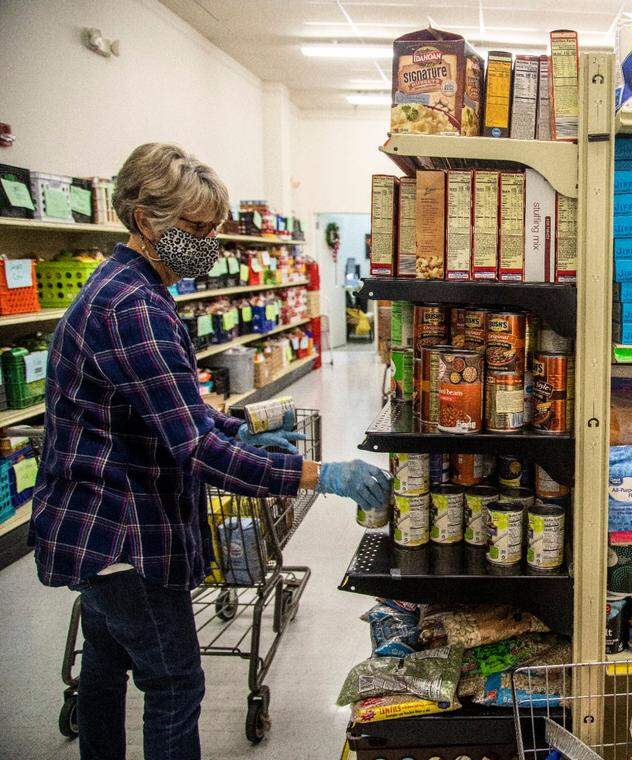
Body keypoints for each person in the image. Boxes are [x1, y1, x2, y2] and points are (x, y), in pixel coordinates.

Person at [28, 143, 389, 760]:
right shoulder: (134, 307)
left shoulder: (125, 287)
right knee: (174, 684)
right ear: (146, 221)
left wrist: (236, 429)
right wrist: (318, 474)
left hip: (90, 528)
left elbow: (169, 415)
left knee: (104, 668)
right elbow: (195, 450)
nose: (210, 244)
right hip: (125, 535)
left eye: (213, 229)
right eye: (195, 229)